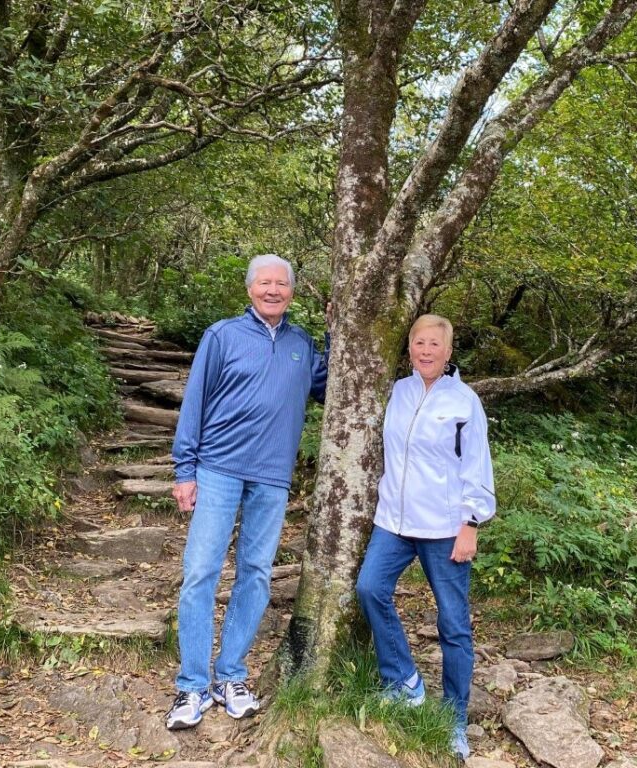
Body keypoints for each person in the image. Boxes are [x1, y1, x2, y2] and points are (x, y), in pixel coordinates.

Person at [165, 254, 328, 730]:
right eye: (264, 282)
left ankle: (230, 676)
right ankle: (192, 685)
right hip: (217, 469)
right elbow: (194, 399)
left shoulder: (303, 344)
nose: (273, 290)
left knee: (255, 573)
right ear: (250, 289)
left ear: (292, 292)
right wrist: (184, 468)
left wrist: (337, 333)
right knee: (200, 572)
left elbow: (329, 385)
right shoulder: (222, 336)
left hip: (273, 476)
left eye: (281, 283)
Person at [355, 314, 495, 761]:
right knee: (369, 588)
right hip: (394, 523)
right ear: (410, 347)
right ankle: (404, 680)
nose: (426, 351)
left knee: (453, 625)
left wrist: (471, 523)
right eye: (419, 342)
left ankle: (455, 719)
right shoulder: (398, 391)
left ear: (449, 351)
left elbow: (477, 463)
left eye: (435, 344)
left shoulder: (464, 402)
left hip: (444, 528)